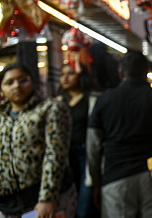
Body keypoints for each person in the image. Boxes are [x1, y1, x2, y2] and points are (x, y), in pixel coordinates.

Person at [87, 51, 152, 217]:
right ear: (146, 71)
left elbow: (93, 147)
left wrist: (96, 183)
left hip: (116, 180)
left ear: (121, 71)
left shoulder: (103, 101)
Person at [0, 62, 77, 218]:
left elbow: (55, 154)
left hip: (45, 199)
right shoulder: (2, 117)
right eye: (9, 82)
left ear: (32, 82)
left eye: (23, 80)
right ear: (1, 88)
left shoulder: (50, 109)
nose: (17, 86)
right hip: (9, 204)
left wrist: (48, 198)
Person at [58, 63, 101, 218]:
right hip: (66, 158)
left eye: (70, 73)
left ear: (80, 76)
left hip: (87, 155)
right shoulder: (58, 102)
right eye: (62, 74)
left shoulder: (92, 100)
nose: (65, 78)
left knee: (84, 207)